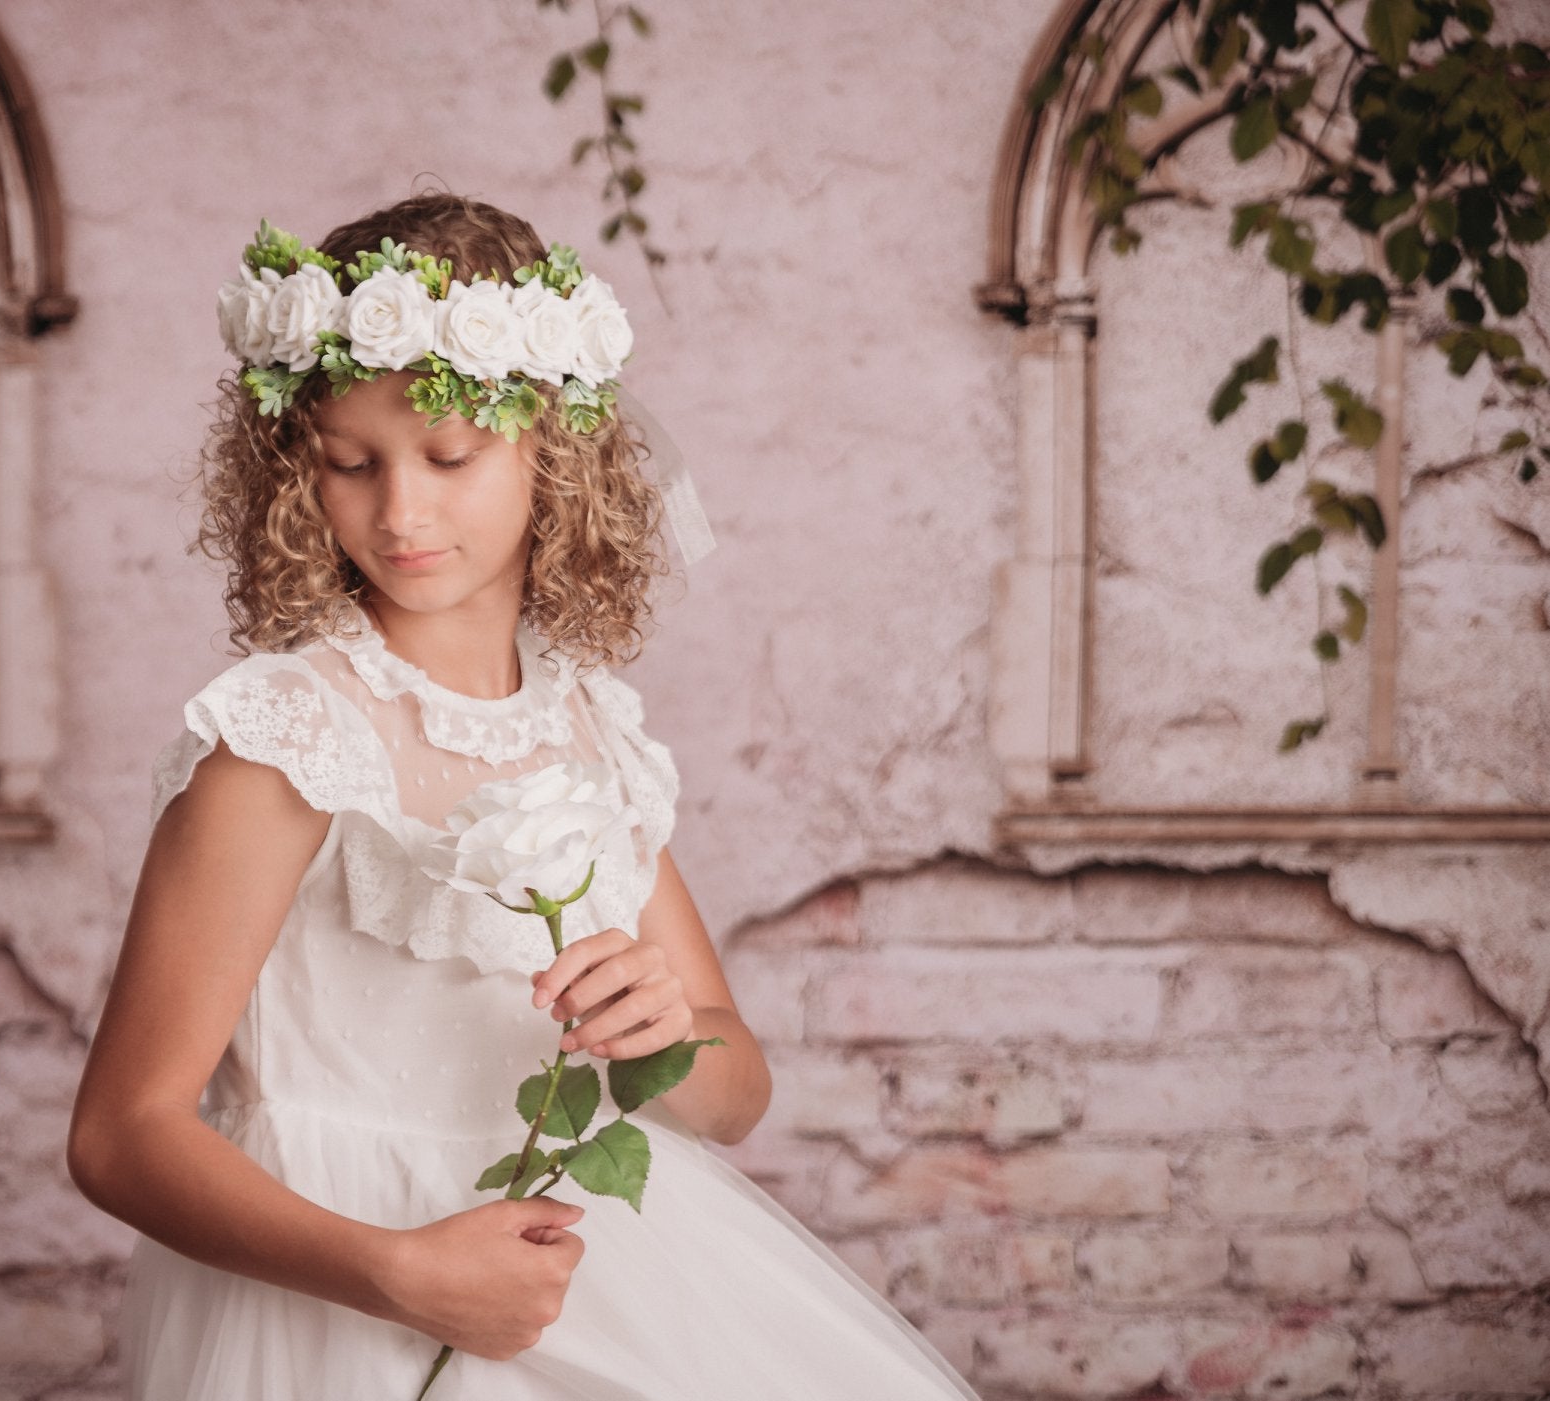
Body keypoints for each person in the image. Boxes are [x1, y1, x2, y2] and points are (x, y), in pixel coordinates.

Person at [67, 190, 984, 1400]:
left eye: (449, 457)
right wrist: (398, 1272)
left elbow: (733, 1098)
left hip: (595, 1278)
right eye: (349, 463)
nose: (400, 511)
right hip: (347, 1309)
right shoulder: (287, 737)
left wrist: (665, 1035)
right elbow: (119, 1135)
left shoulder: (588, 726)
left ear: (553, 453)